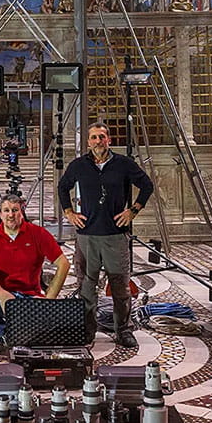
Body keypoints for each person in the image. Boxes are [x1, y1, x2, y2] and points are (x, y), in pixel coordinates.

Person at [58, 121, 153, 348]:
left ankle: (123, 330)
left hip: (115, 235)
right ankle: (87, 330)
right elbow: (63, 187)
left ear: (109, 140)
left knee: (120, 286)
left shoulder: (123, 164)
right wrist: (69, 212)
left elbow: (147, 185)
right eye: (94, 137)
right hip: (87, 236)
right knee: (86, 286)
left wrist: (133, 210)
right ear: (88, 142)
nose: (98, 141)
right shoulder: (79, 165)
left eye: (102, 137)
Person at [0, 194, 69, 352]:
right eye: (6, 210)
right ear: (0, 214)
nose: (11, 215)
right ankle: (0, 333)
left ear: (21, 212)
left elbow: (63, 264)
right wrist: (3, 296)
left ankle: (21, 332)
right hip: (0, 294)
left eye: (15, 210)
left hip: (29, 295)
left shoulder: (38, 233)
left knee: (52, 325)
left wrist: (49, 300)